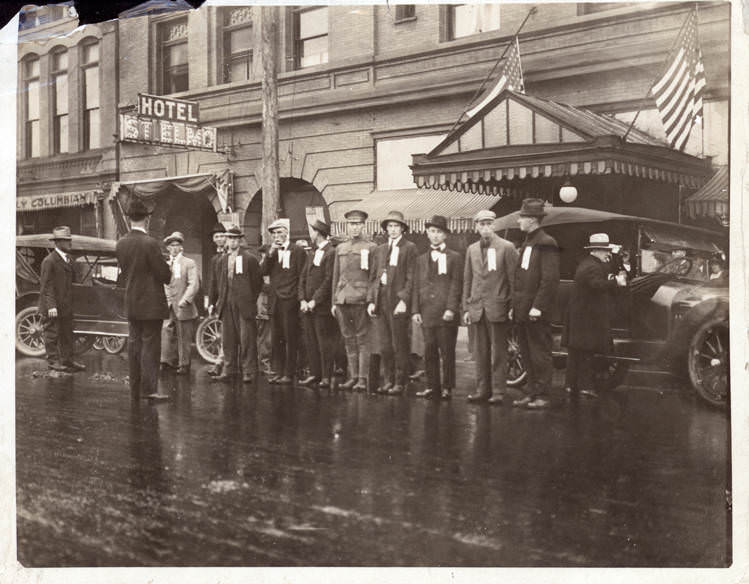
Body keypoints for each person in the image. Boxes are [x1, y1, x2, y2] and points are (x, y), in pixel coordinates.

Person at [116, 197, 171, 399]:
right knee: (150, 346)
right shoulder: (150, 243)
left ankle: (135, 388)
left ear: (130, 219)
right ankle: (150, 390)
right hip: (151, 305)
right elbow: (165, 276)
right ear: (146, 220)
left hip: (131, 302)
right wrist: (168, 266)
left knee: (134, 345)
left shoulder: (121, 243)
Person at [462, 209, 519, 404]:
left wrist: (513, 306)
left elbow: (513, 280)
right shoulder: (472, 249)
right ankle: (482, 389)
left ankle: (498, 391)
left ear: (494, 225)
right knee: (480, 352)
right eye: (482, 224)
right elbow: (467, 280)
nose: (486, 228)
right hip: (477, 308)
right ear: (476, 227)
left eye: (489, 224)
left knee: (498, 352)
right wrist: (466, 308)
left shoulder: (507, 247)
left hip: (498, 307)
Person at [563, 233, 627, 399]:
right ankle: (585, 387)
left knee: (575, 353)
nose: (608, 254)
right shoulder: (592, 267)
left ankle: (570, 386)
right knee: (585, 353)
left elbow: (603, 272)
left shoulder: (590, 263)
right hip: (586, 317)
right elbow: (596, 285)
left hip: (581, 315)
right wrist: (616, 282)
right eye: (606, 250)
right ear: (597, 250)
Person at [512, 198, 560, 410]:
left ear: (532, 220)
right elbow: (522, 278)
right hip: (523, 309)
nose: (518, 221)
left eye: (521, 217)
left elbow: (549, 279)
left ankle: (543, 395)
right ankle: (531, 392)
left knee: (539, 352)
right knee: (526, 351)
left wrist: (538, 306)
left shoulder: (546, 242)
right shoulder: (529, 242)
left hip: (535, 310)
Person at [411, 215, 463, 400]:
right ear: (427, 233)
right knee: (429, 349)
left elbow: (456, 285)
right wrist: (415, 310)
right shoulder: (420, 259)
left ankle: (448, 386)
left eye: (439, 232)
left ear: (445, 235)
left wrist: (451, 308)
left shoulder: (455, 257)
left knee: (446, 350)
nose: (435, 235)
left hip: (445, 312)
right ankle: (433, 386)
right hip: (426, 311)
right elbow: (416, 286)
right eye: (432, 231)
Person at [367, 210, 417, 396]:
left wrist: (404, 299)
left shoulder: (409, 248)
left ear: (402, 228)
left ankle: (400, 381)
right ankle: (388, 380)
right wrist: (371, 300)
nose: (393, 230)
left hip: (397, 302)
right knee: (385, 345)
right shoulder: (380, 250)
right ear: (386, 229)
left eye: (397, 226)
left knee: (399, 344)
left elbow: (412, 278)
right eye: (390, 226)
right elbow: (373, 277)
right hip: (381, 301)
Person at [331, 210, 377, 391]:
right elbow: (336, 276)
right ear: (347, 226)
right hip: (342, 299)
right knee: (348, 339)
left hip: (361, 299)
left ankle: (363, 379)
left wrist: (371, 299)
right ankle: (353, 376)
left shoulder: (371, 247)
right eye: (351, 224)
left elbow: (374, 277)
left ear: (363, 225)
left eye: (358, 224)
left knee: (363, 339)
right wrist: (334, 302)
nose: (354, 227)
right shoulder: (340, 248)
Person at [212, 225, 262, 383]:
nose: (232, 242)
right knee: (228, 339)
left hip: (244, 304)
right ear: (226, 240)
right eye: (230, 238)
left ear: (240, 240)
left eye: (235, 239)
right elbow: (218, 282)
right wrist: (216, 301)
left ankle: (248, 371)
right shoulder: (222, 260)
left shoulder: (250, 259)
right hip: (227, 303)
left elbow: (257, 283)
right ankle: (229, 369)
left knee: (246, 339)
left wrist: (249, 299)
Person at [264, 218, 307, 385]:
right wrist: (270, 253)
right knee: (277, 338)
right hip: (275, 300)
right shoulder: (271, 251)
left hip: (290, 300)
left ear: (287, 232)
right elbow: (263, 271)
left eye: (280, 232)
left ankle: (289, 372)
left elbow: (301, 276)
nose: (277, 236)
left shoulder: (297, 250)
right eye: (274, 234)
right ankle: (278, 371)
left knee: (291, 337)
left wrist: (298, 297)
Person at [38, 226, 85, 373]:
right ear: (58, 242)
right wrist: (51, 306)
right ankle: (53, 362)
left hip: (66, 305)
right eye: (66, 240)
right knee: (52, 333)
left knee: (67, 334)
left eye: (69, 240)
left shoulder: (68, 259)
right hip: (53, 306)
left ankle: (68, 361)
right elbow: (46, 286)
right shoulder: (49, 261)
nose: (70, 243)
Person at [298, 219, 337, 389]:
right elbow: (303, 277)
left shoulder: (330, 252)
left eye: (312, 231)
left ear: (318, 233)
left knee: (324, 342)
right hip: (307, 307)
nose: (310, 234)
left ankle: (326, 376)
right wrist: (302, 300)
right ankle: (315, 374)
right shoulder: (313, 253)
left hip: (320, 307)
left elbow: (329, 281)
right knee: (311, 341)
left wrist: (314, 300)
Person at [160, 232, 200, 375]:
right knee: (166, 331)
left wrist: (186, 299)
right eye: (171, 245)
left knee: (184, 334)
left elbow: (194, 284)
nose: (174, 248)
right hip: (168, 303)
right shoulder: (164, 263)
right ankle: (165, 361)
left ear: (181, 247)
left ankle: (184, 364)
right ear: (168, 248)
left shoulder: (189, 263)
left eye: (177, 245)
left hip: (183, 304)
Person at [207, 223, 227, 376]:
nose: (220, 239)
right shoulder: (215, 258)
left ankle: (222, 363)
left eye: (222, 236)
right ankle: (221, 363)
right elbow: (213, 282)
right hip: (222, 300)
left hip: (233, 298)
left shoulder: (231, 254)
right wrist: (211, 302)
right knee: (224, 333)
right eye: (217, 236)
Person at [256, 244, 273, 376]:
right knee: (265, 337)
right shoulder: (262, 266)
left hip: (268, 303)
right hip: (264, 304)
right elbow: (261, 285)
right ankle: (264, 364)